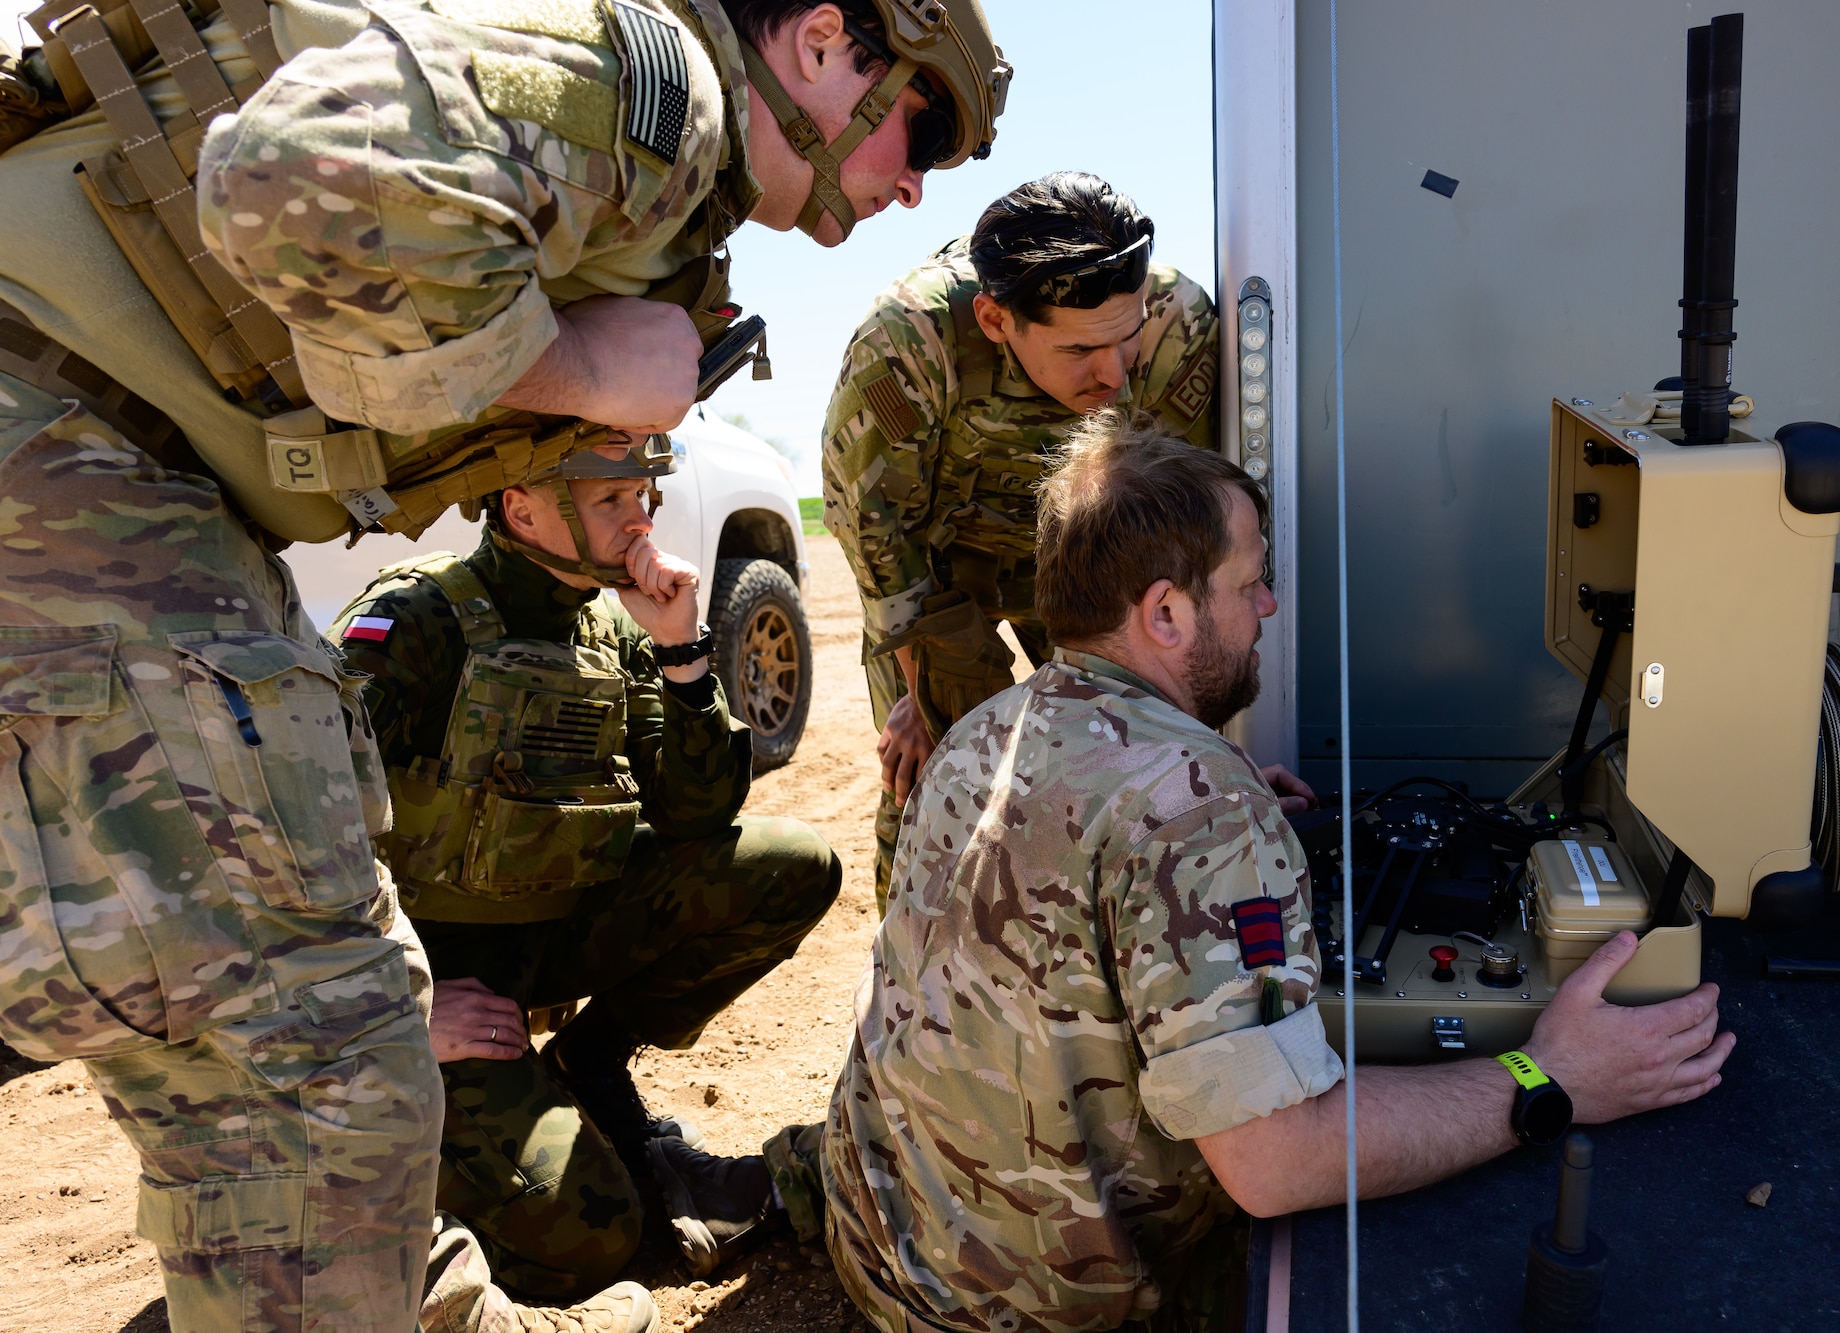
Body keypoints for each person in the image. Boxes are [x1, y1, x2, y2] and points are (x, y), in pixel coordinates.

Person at [0, 0, 1007, 1327]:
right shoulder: (662, 99)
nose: (917, 183)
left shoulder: (623, 569)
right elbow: (289, 171)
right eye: (921, 124)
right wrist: (577, 363)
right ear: (822, 44)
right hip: (68, 442)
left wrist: (679, 651)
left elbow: (698, 820)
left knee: (278, 1023)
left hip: (113, 458)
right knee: (315, 1042)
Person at [745, 413, 1735, 1331]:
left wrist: (1214, 815)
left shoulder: (991, 728)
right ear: (1166, 612)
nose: (1266, 604)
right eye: (1248, 581)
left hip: (884, 1242)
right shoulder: (1195, 810)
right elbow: (1274, 1162)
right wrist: (1547, 1074)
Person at [331, 439, 840, 1297]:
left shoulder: (615, 626)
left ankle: (587, 1061)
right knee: (594, 1238)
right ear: (522, 506)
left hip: (559, 934)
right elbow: (299, 835)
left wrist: (682, 653)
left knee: (793, 864)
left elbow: (697, 815)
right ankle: (375, 1172)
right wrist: (395, 1004)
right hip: (437, 982)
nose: (640, 517)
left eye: (643, 494)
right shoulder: (418, 619)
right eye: (611, 500)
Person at [820, 171, 1220, 914]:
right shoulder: (909, 344)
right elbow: (882, 538)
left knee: (1142, 756)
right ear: (997, 320)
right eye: (1079, 352)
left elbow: (1181, 531)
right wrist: (922, 688)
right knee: (941, 777)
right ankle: (918, 991)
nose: (1113, 373)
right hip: (942, 580)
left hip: (1090, 564)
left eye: (1123, 339)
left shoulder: (1172, 326)